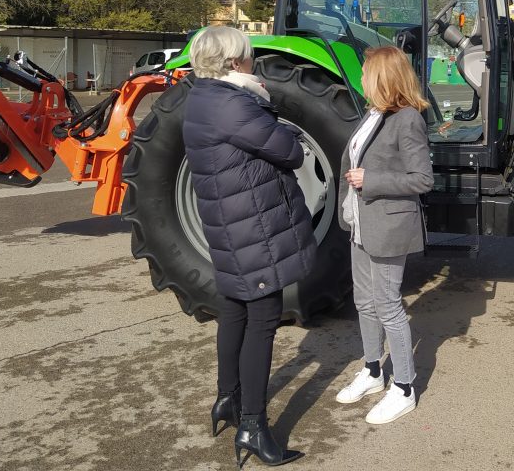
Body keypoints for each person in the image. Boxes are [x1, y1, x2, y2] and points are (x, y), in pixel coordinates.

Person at [182, 26, 315, 467]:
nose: (253, 62)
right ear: (235, 63)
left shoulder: (200, 99)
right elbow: (289, 153)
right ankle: (254, 428)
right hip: (254, 229)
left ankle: (228, 399)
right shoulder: (235, 105)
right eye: (248, 56)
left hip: (229, 226)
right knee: (262, 322)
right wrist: (286, 134)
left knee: (234, 312)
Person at [333, 45, 434, 424]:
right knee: (364, 302)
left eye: (365, 72)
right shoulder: (374, 115)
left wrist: (371, 179)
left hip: (389, 226)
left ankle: (405, 387)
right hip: (362, 222)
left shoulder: (407, 119)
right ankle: (373, 371)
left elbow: (422, 179)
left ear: (382, 76)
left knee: (388, 305)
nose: (360, 78)